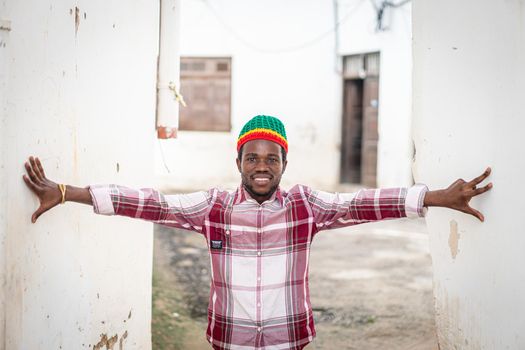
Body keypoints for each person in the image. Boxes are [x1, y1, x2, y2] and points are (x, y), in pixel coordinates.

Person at [23, 115, 492, 350]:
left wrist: (432, 197)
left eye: (272, 158)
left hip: (291, 339)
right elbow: (150, 203)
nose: (262, 167)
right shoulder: (213, 207)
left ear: (285, 164)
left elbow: (363, 203)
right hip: (229, 339)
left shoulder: (307, 205)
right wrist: (66, 191)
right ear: (239, 164)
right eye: (253, 158)